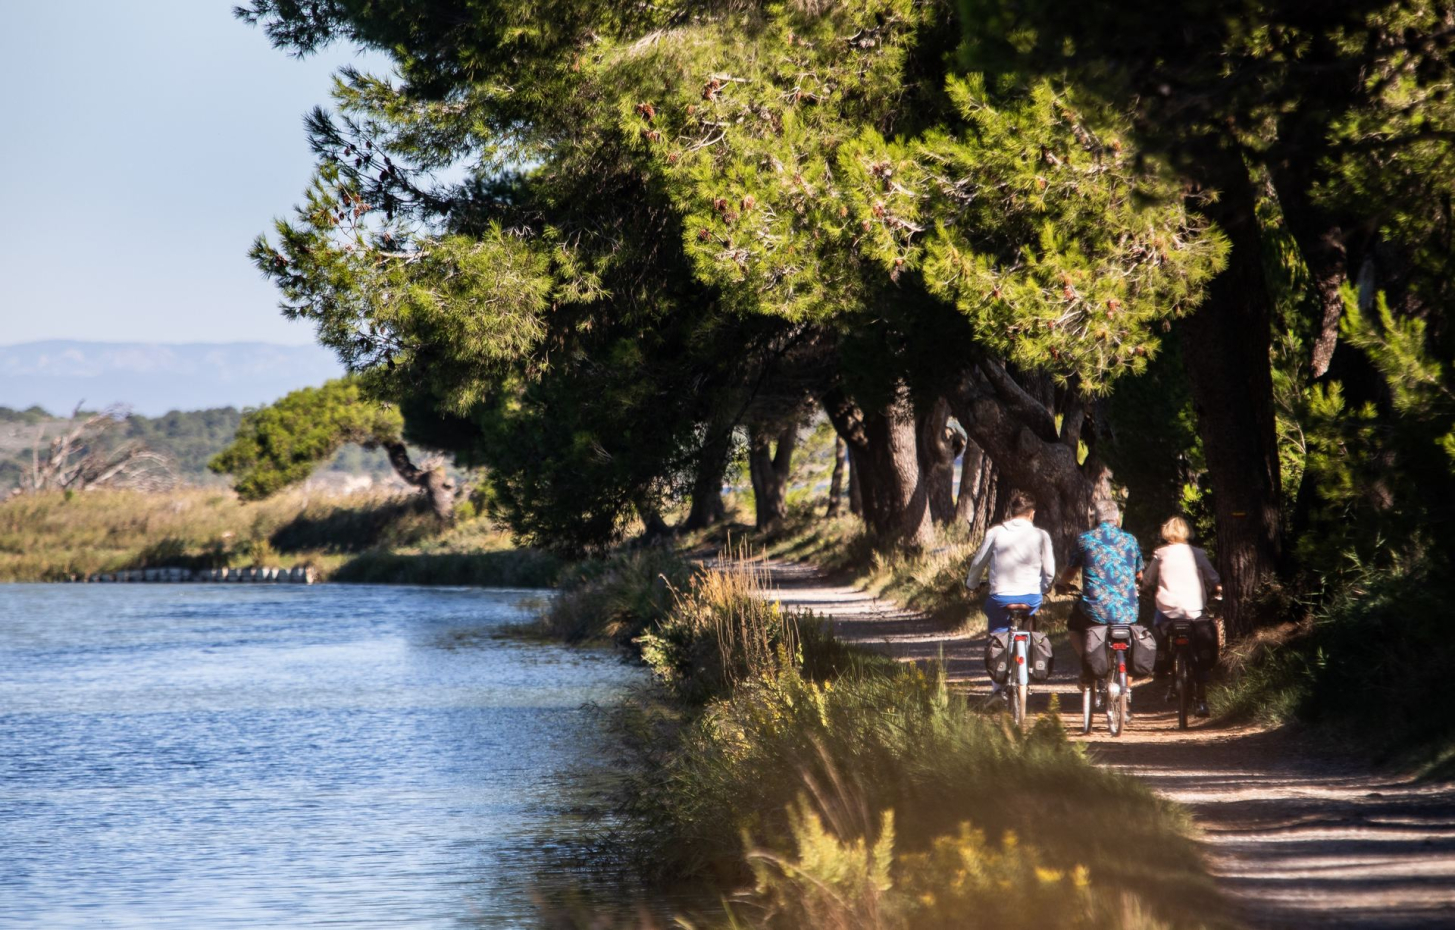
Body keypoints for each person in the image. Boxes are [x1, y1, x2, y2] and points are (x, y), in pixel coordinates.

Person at [965, 491, 1055, 696]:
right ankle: (1029, 660)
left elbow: (978, 563)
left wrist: (972, 584)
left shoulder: (996, 533)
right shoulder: (1041, 536)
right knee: (1029, 618)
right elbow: (1049, 571)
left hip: (1000, 598)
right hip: (1031, 597)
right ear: (1032, 514)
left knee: (997, 631)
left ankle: (997, 687)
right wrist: (1044, 588)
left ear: (1011, 512)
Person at [1055, 499, 1144, 706]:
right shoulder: (1130, 540)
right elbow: (1139, 574)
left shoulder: (1085, 539)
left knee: (1074, 627)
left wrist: (1061, 585)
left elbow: (1070, 571)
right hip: (1127, 610)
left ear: (1096, 519)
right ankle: (1126, 690)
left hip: (1095, 609)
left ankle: (1088, 663)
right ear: (1117, 519)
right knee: (1129, 643)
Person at [1144, 515, 1221, 717]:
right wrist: (1217, 590)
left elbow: (1148, 579)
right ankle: (1202, 700)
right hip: (1194, 610)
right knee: (1199, 647)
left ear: (1166, 533)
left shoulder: (1160, 554)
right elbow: (1214, 578)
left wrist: (1144, 587)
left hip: (1168, 611)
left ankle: (1162, 667)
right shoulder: (1198, 554)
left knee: (1158, 629)